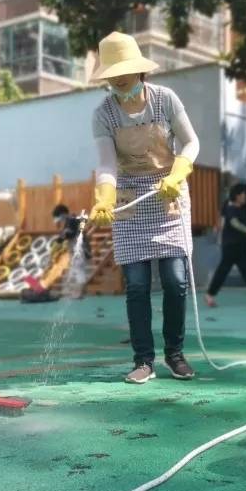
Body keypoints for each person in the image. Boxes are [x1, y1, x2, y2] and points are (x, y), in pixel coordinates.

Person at [88, 32, 200, 384]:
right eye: (113, 73)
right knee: (136, 284)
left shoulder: (166, 99)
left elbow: (192, 141)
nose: (119, 78)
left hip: (168, 191)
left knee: (175, 280)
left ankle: (175, 354)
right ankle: (143, 360)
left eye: (125, 70)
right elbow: (107, 163)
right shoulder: (103, 114)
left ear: (140, 71)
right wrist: (104, 196)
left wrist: (179, 170)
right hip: (129, 196)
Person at [205, 182, 246, 307]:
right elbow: (234, 223)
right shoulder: (231, 208)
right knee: (224, 271)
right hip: (231, 246)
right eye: (243, 194)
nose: (245, 196)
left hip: (240, 246)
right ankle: (209, 295)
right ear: (237, 195)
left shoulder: (236, 208)